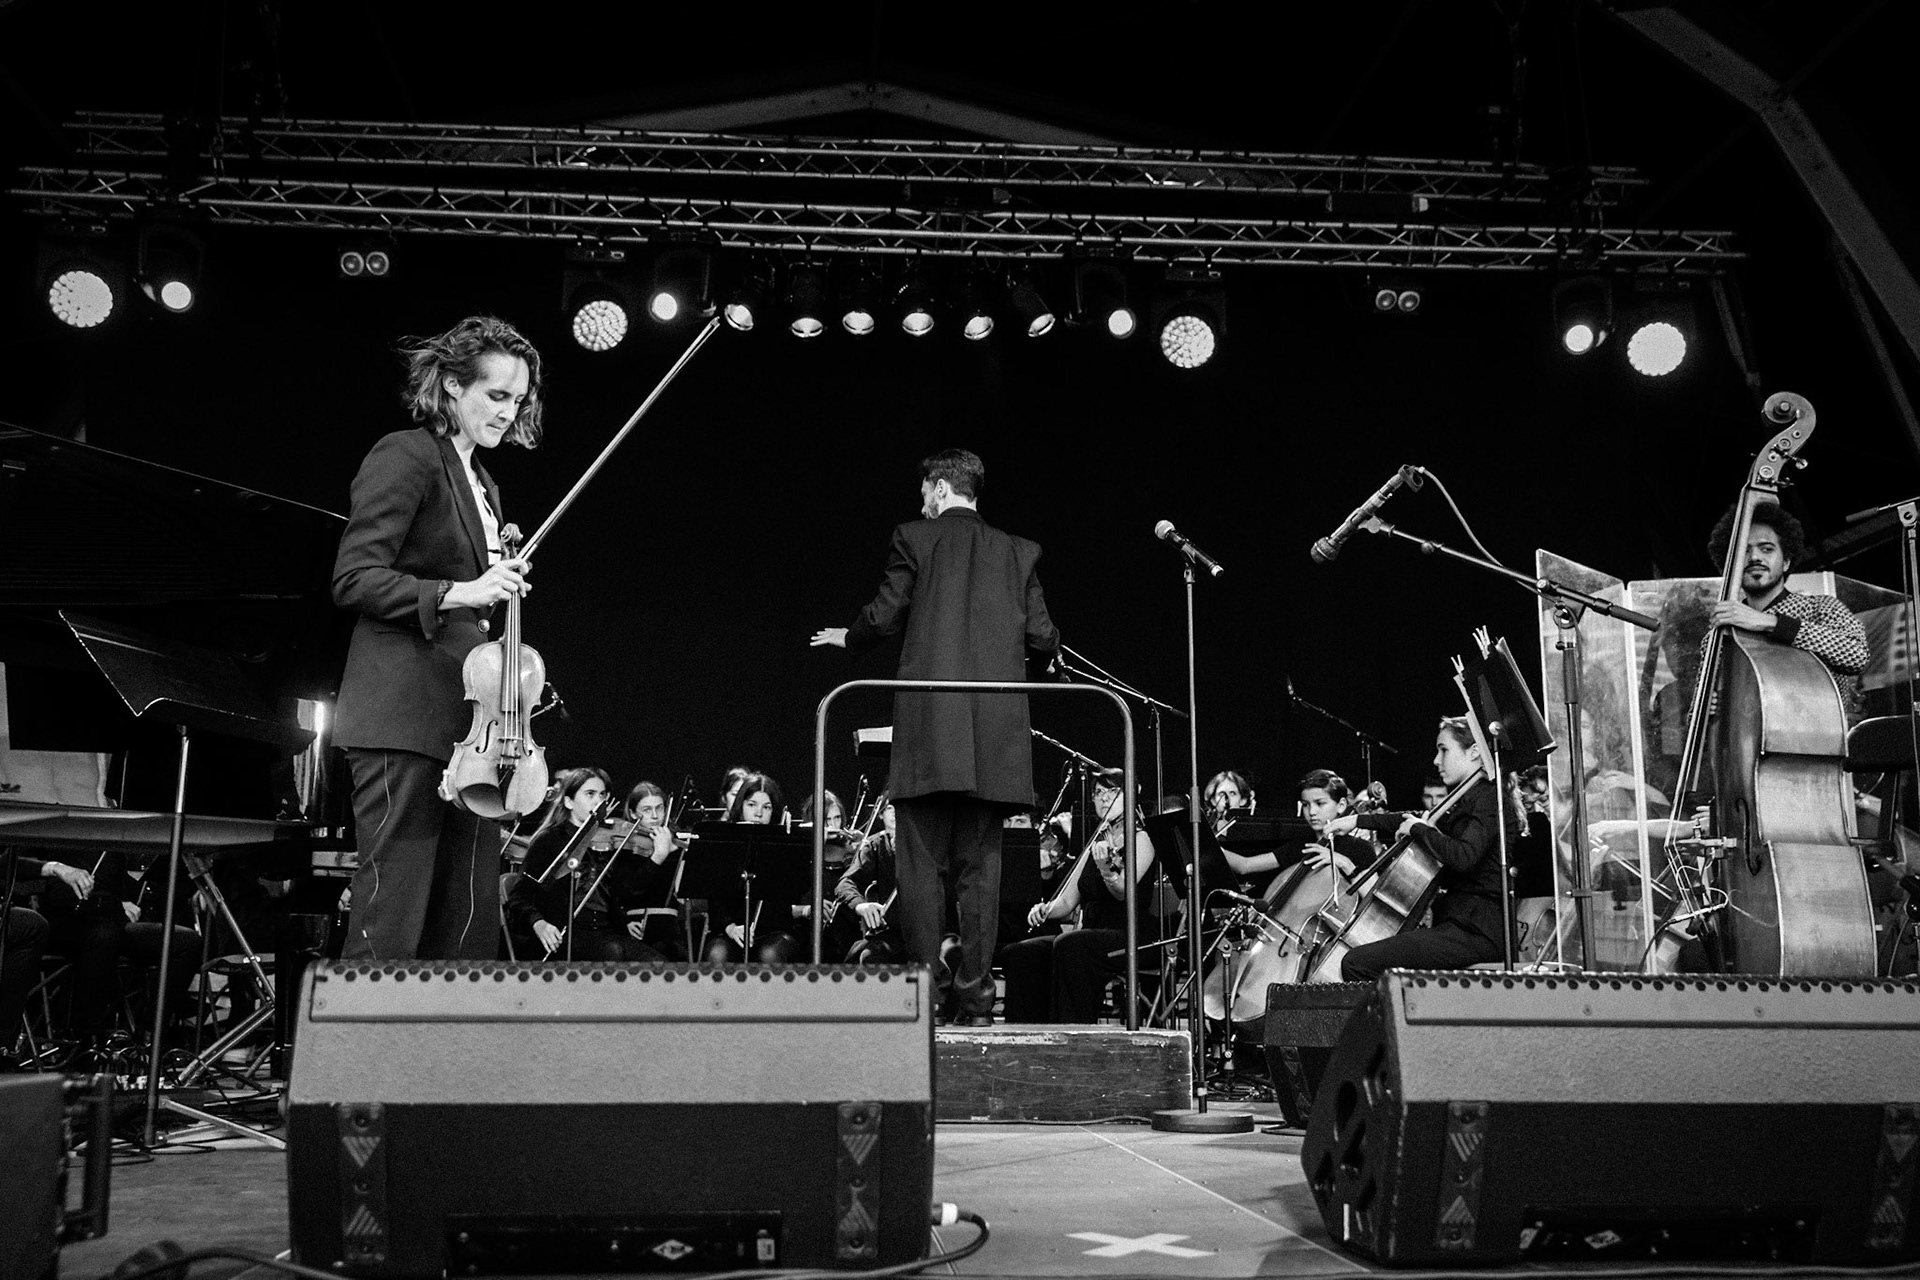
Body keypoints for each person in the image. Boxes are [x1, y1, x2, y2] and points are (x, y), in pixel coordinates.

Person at [812, 448, 1060, 1025]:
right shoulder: (1020, 552)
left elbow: (885, 614)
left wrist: (848, 639)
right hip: (995, 741)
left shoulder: (915, 538)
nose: (920, 500)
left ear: (939, 487)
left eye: (924, 489)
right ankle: (975, 1000)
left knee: (920, 874)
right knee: (982, 878)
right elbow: (1044, 637)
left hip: (929, 737)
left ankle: (924, 996)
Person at [331, 315, 543, 962]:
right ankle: (359, 1058)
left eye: (519, 399)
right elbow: (355, 577)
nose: (509, 412)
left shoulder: (484, 485)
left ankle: (445, 1060)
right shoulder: (408, 453)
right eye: (496, 395)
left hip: (468, 729)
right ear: (452, 386)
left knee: (466, 914)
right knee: (393, 909)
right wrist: (463, 592)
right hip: (403, 717)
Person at [1325, 717, 1519, 979]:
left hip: (1477, 930)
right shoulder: (1467, 797)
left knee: (1357, 963)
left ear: (1474, 752)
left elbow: (1464, 856)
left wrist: (1419, 829)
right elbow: (1416, 816)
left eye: (1444, 750)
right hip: (1461, 924)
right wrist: (1356, 820)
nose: (1436, 761)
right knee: (1363, 960)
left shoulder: (1487, 797)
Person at [1002, 769, 1155, 1023]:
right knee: (1022, 953)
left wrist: (1108, 872)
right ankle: (1027, 1035)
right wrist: (1044, 910)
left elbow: (1123, 893)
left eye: (1112, 792)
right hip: (1094, 933)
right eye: (1098, 793)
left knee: (1071, 945)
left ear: (1131, 795)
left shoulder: (1143, 838)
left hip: (1131, 934)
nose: (1103, 798)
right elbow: (1066, 902)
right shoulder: (1096, 840)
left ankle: (1072, 1033)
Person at [1704, 500, 1870, 707]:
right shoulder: (1721, 634)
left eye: (1766, 549)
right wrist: (1706, 710)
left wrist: (1771, 623)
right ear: (1730, 566)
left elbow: (1856, 655)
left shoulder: (1821, 608)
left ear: (1786, 562)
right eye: (1743, 551)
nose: (1754, 557)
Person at [508, 768, 665, 963]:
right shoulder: (550, 840)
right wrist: (539, 924)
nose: (598, 800)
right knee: (612, 953)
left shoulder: (609, 841)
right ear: (568, 801)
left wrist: (657, 857)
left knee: (659, 965)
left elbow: (622, 893)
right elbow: (518, 896)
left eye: (602, 795)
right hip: (564, 933)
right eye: (590, 794)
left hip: (607, 931)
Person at [704, 773, 805, 963]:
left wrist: (786, 844)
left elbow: (795, 893)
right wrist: (731, 927)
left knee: (770, 955)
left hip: (774, 931)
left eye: (766, 807)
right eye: (752, 805)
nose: (758, 813)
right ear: (740, 805)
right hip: (730, 930)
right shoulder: (724, 842)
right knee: (718, 955)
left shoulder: (783, 844)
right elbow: (715, 898)